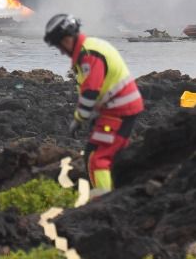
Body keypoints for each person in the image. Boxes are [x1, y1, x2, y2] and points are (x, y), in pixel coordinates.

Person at [44, 13, 144, 197]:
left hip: (119, 111)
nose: (60, 51)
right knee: (105, 153)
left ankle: (104, 200)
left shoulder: (88, 54)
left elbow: (91, 90)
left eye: (59, 45)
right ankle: (120, 192)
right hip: (115, 110)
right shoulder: (90, 47)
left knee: (98, 158)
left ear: (66, 40)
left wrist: (79, 119)